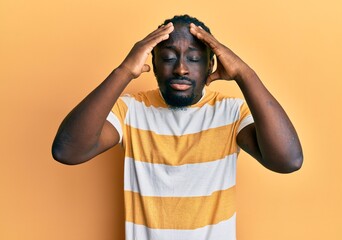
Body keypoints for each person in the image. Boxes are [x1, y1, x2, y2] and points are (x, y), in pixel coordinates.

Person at [52, 14, 303, 240]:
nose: (181, 68)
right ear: (152, 64)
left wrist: (244, 74)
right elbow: (67, 150)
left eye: (194, 58)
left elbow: (288, 160)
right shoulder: (131, 110)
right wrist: (124, 70)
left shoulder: (231, 113)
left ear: (210, 66)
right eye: (169, 58)